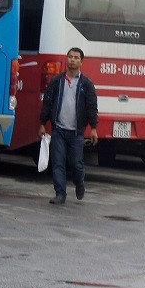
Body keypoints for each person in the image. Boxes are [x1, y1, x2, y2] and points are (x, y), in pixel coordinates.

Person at [39, 47, 100, 205]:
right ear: (66, 59)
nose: (72, 60)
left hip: (76, 132)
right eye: (70, 57)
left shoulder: (86, 84)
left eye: (76, 57)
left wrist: (93, 128)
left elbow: (91, 107)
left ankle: (79, 184)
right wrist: (42, 123)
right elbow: (48, 103)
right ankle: (60, 193)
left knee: (75, 163)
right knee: (58, 162)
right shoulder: (57, 81)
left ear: (81, 62)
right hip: (58, 129)